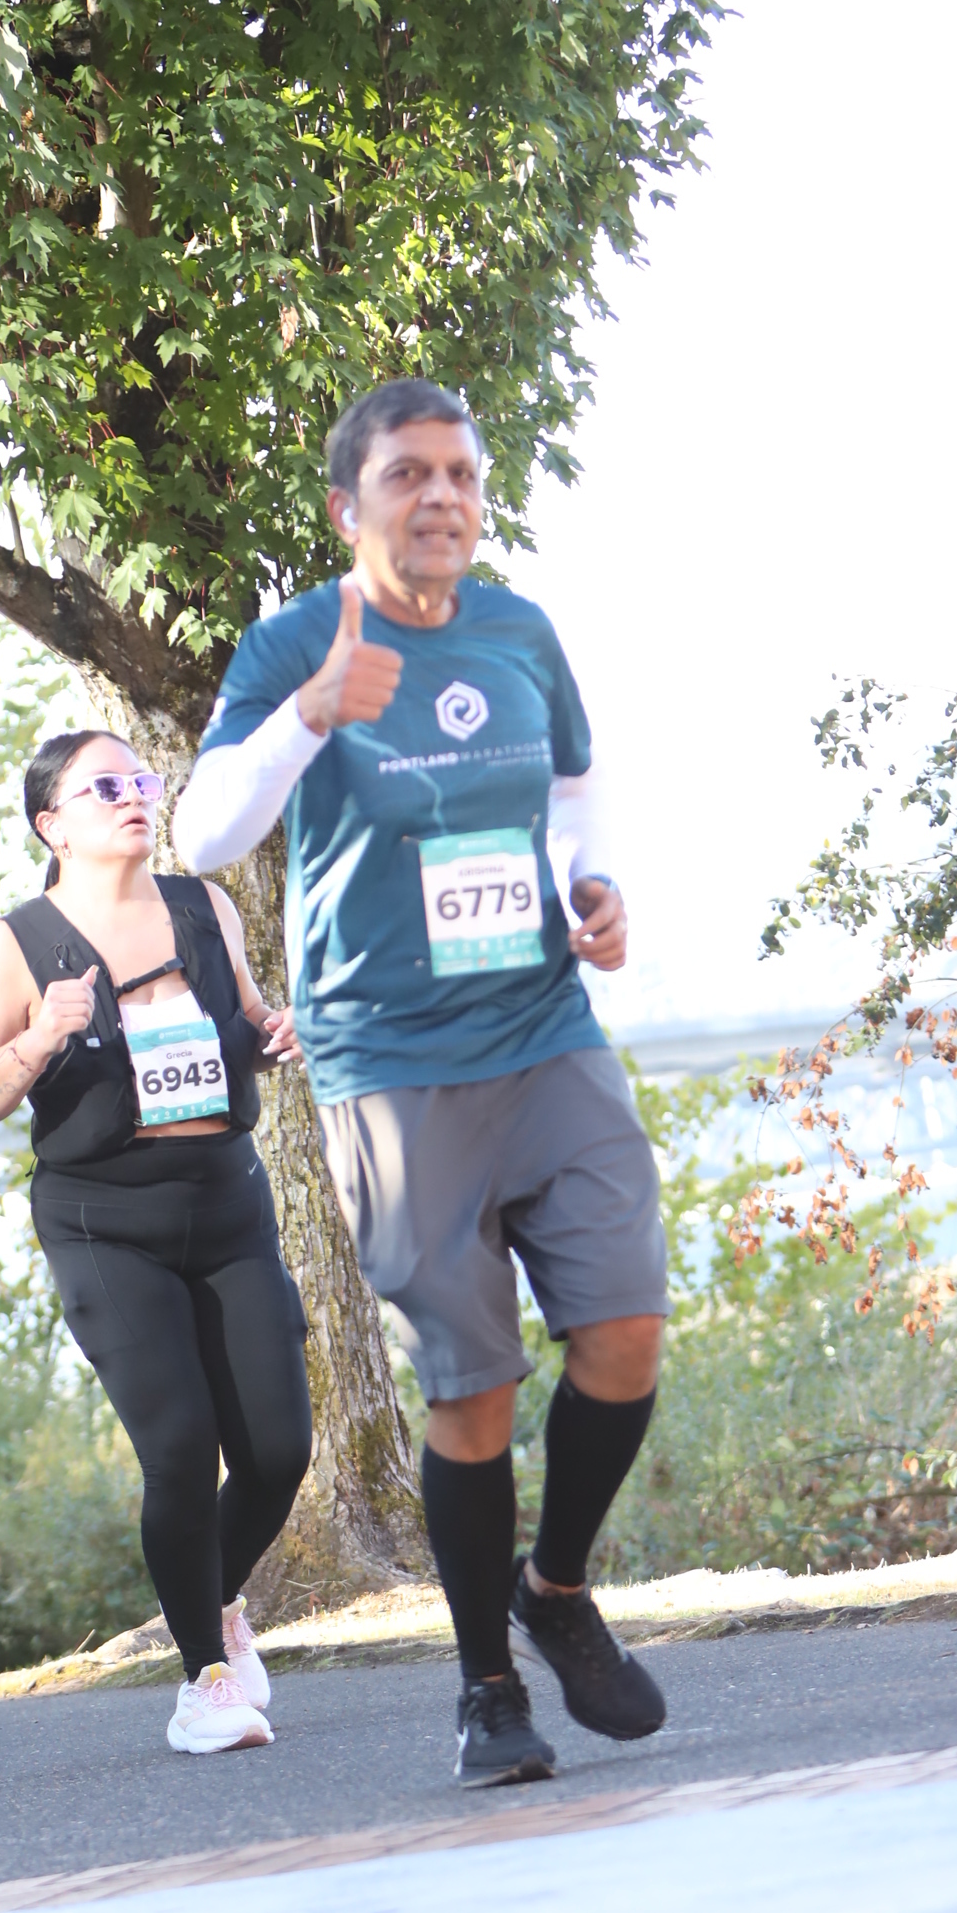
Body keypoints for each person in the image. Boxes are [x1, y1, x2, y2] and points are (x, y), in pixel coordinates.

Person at [175, 377, 668, 1786]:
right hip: (390, 1062)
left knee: (625, 1330)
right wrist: (308, 716)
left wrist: (592, 885)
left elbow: (572, 789)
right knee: (476, 1389)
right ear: (351, 505)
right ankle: (486, 1690)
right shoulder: (294, 645)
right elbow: (204, 836)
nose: (441, 496)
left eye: (459, 473)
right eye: (408, 475)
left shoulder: (518, 629)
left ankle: (553, 1590)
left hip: (543, 1025)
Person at [0, 731, 313, 1754]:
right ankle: (204, 1683)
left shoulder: (203, 907)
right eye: (104, 786)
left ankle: (216, 1599)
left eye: (141, 779)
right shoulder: (19, 942)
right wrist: (37, 1038)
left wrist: (273, 1035)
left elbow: (243, 1022)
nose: (134, 796)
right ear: (50, 824)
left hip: (227, 1203)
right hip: (105, 1221)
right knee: (180, 1450)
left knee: (279, 1451)